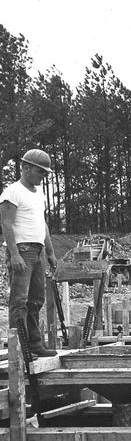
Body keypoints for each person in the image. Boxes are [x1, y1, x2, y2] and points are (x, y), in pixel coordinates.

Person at [1, 149, 59, 357]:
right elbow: (6, 224)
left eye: (45, 173)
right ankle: (20, 348)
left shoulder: (39, 193)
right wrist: (14, 253)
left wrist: (50, 252)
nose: (43, 177)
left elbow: (42, 224)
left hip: (38, 251)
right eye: (40, 172)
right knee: (20, 301)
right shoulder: (12, 192)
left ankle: (34, 344)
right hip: (22, 251)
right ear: (25, 168)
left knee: (36, 300)